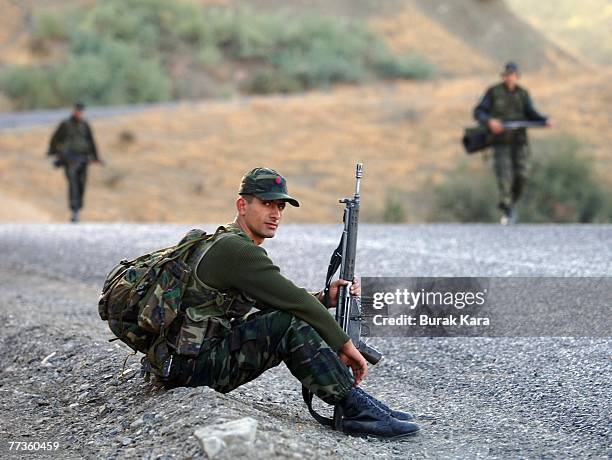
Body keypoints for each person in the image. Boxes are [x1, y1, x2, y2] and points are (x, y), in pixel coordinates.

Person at [151, 167, 420, 439]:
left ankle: (360, 405)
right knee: (289, 323)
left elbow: (280, 300)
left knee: (286, 317)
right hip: (190, 371)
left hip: (181, 363)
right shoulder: (237, 251)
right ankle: (354, 407)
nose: (276, 213)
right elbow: (296, 303)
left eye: (280, 206)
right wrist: (345, 344)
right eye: (267, 204)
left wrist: (326, 298)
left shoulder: (230, 243)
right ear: (242, 205)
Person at [473, 62, 552, 224]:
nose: (509, 78)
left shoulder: (523, 94)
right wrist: (489, 122)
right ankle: (507, 209)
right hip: (500, 141)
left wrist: (545, 120)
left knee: (522, 175)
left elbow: (531, 113)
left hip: (519, 141)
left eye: (512, 75)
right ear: (503, 76)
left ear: (517, 76)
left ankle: (511, 203)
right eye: (507, 75)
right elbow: (478, 111)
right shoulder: (493, 92)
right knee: (504, 175)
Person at [47, 102, 101, 222]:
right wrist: (53, 152)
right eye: (77, 110)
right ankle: (74, 211)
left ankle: (78, 207)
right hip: (69, 159)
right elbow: (55, 139)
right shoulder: (65, 124)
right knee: (73, 184)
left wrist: (96, 157)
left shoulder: (85, 124)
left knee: (81, 184)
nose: (79, 113)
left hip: (83, 159)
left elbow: (91, 141)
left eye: (81, 111)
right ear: (73, 110)